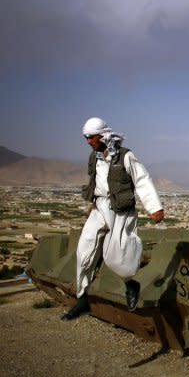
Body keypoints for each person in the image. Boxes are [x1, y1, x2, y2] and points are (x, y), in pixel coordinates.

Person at [61, 117, 164, 321]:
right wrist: (93, 202)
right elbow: (97, 182)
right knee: (84, 251)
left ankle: (130, 284)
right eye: (86, 137)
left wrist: (155, 207)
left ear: (103, 135)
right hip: (100, 208)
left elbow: (141, 179)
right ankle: (82, 299)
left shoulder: (125, 156)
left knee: (117, 256)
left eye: (91, 137)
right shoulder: (94, 157)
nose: (88, 141)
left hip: (120, 210)